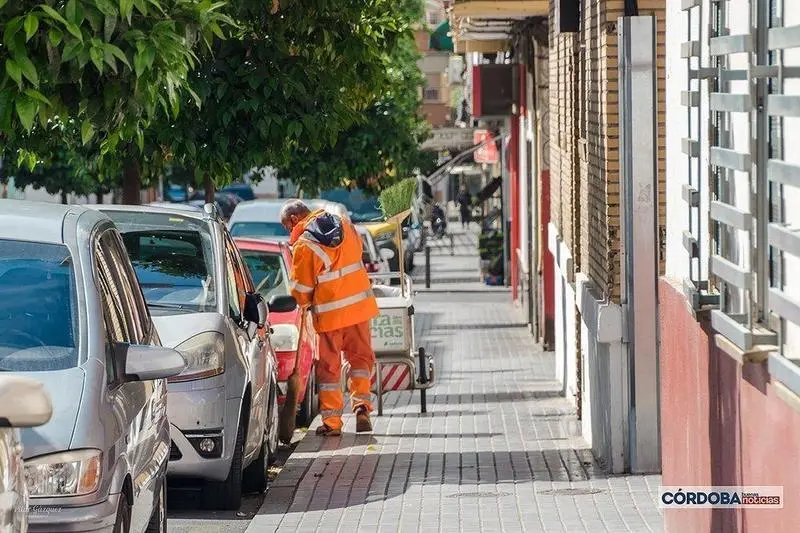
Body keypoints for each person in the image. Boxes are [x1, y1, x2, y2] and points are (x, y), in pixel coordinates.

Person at [280, 200, 380, 436]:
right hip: (359, 309)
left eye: (287, 226)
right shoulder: (345, 225)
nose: (289, 232)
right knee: (361, 361)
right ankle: (362, 409)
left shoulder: (305, 245)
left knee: (329, 369)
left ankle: (333, 423)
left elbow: (301, 291)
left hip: (329, 315)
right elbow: (356, 258)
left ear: (295, 219)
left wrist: (303, 303)